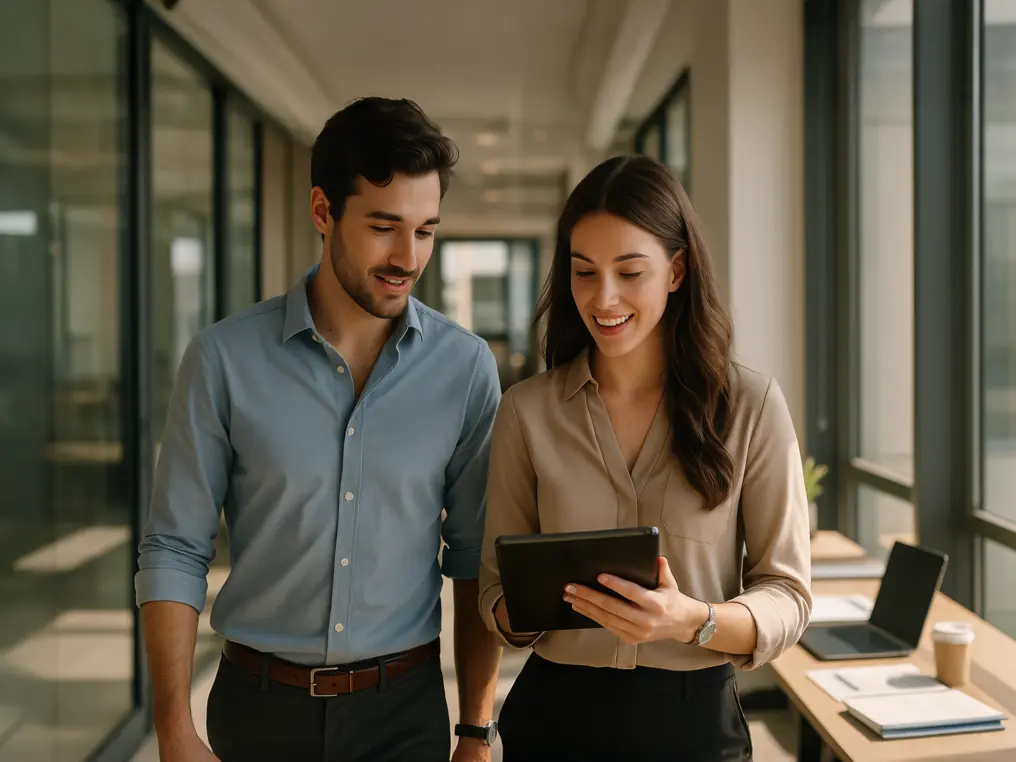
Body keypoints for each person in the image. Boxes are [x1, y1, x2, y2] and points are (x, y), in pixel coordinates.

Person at [136, 97, 503, 762]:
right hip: (258, 708)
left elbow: (475, 559)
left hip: (404, 712)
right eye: (384, 227)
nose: (407, 257)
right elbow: (174, 548)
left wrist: (476, 731)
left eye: (425, 231)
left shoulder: (466, 368)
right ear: (322, 212)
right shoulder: (224, 359)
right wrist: (172, 726)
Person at [478, 155, 812, 761]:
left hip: (696, 725)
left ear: (677, 270)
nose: (603, 298)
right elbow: (494, 591)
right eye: (584, 272)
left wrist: (692, 619)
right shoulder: (526, 412)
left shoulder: (751, 407)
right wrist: (525, 608)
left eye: (630, 272)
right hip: (553, 720)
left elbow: (788, 594)